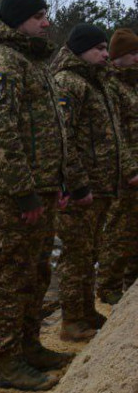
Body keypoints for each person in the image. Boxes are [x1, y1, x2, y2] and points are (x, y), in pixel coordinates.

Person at [0, 0, 81, 392]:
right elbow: (2, 133)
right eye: (39, 16)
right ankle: (9, 361)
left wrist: (60, 181)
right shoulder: (1, 62)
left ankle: (30, 345)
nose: (47, 22)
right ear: (19, 20)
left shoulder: (32, 62)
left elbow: (50, 131)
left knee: (37, 271)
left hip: (43, 187)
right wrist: (24, 193)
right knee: (14, 274)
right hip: (20, 193)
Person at [51, 24, 138, 340]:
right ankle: (72, 321)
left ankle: (86, 311)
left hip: (102, 185)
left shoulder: (98, 84)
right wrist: (77, 184)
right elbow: (63, 138)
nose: (105, 54)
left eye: (106, 48)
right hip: (82, 189)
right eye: (99, 48)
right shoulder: (68, 83)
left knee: (89, 252)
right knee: (76, 255)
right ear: (80, 49)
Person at [98, 27, 138, 302]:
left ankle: (131, 287)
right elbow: (113, 132)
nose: (137, 58)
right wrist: (130, 169)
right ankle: (109, 290)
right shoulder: (110, 85)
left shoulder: (132, 84)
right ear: (118, 56)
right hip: (124, 174)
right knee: (118, 233)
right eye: (133, 53)